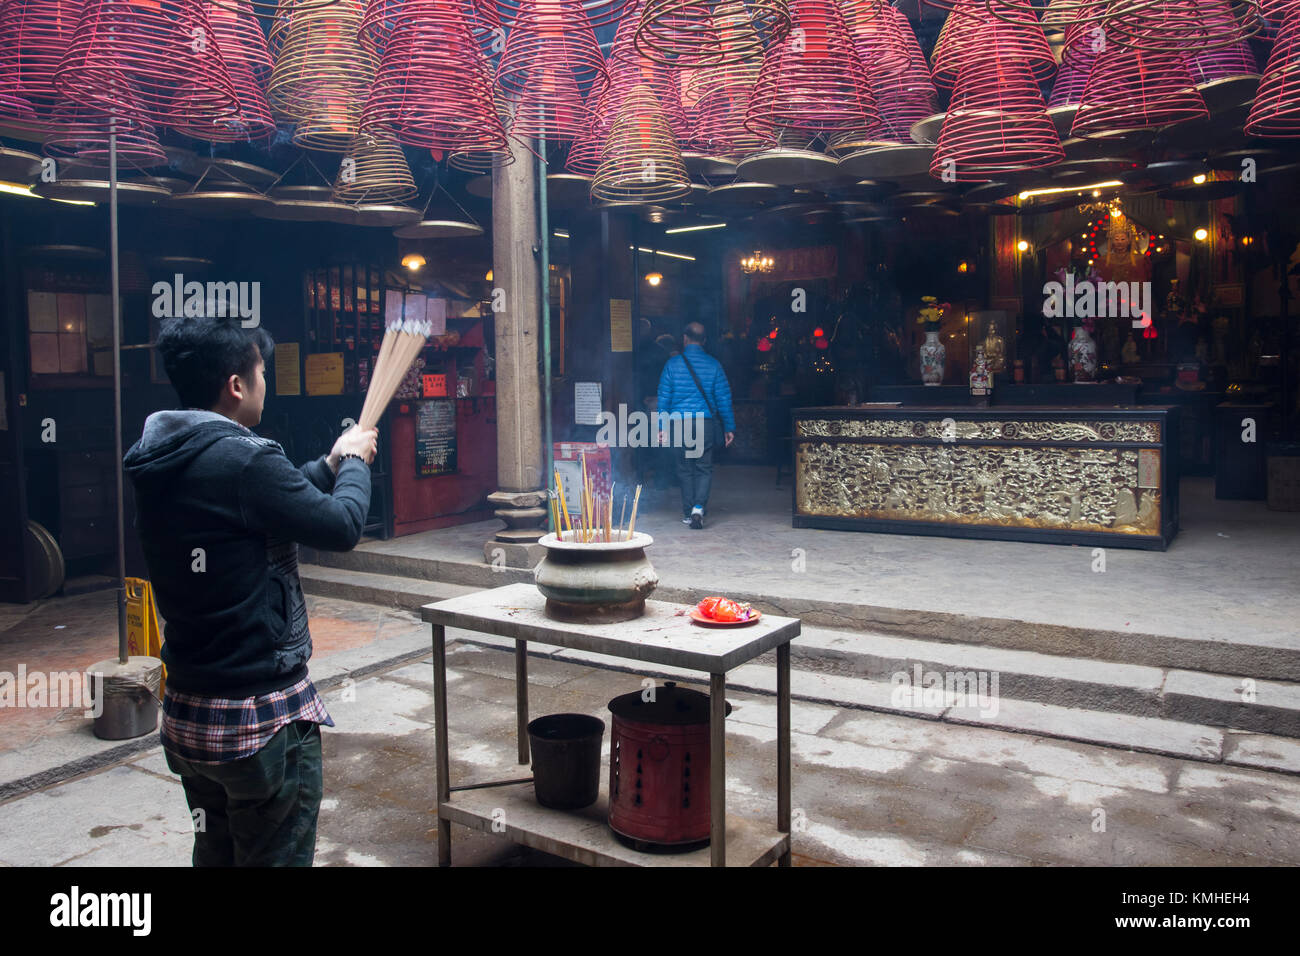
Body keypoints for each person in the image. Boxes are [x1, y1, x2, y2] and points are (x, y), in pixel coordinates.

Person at [123, 316, 377, 867]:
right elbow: (340, 527)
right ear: (236, 385)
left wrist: (330, 463)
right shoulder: (246, 458)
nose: (266, 384)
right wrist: (357, 463)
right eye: (261, 372)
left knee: (215, 855)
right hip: (256, 721)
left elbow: (263, 506)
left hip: (190, 713)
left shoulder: (162, 456)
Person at [656, 321, 735, 529]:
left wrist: (662, 427)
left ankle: (687, 511)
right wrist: (729, 426)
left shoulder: (671, 365)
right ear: (705, 341)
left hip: (679, 423)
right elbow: (724, 399)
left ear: (684, 338)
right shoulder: (714, 365)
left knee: (684, 468)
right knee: (703, 467)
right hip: (704, 422)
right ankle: (698, 508)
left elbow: (663, 399)